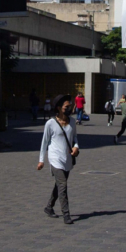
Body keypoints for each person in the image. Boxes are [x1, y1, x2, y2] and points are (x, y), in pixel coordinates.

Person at [38, 94, 79, 225]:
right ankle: (66, 214)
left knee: (59, 185)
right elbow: (44, 143)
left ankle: (49, 207)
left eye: (70, 105)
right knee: (63, 185)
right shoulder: (50, 123)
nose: (70, 108)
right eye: (67, 106)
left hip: (67, 158)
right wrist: (41, 160)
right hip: (55, 158)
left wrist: (76, 147)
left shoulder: (72, 122)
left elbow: (75, 139)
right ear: (59, 108)